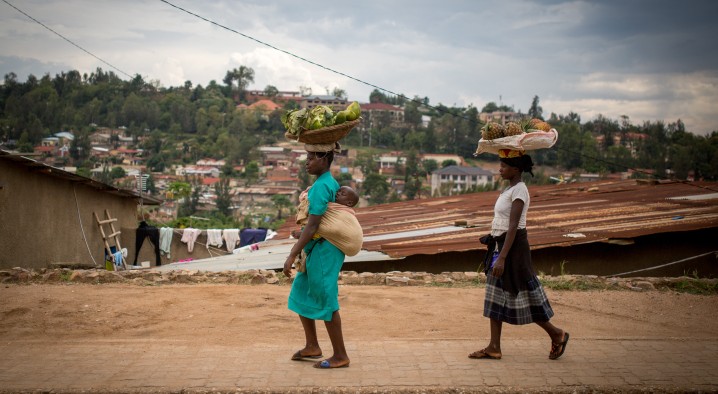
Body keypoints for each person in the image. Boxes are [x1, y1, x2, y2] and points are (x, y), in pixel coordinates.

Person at [470, 149, 569, 361]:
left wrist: (503, 257)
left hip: (513, 251)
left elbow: (514, 226)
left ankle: (556, 333)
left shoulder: (520, 191)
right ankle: (494, 347)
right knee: (495, 296)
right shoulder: (510, 189)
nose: (500, 169)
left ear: (515, 169)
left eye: (504, 166)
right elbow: (504, 222)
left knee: (525, 298)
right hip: (501, 247)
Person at [283, 142, 350, 369]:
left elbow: (313, 227)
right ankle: (312, 345)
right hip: (316, 247)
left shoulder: (322, 186)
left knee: (326, 299)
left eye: (311, 157)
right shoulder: (325, 182)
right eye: (307, 157)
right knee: (301, 292)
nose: (307, 161)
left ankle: (340, 355)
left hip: (324, 250)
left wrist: (292, 254)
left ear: (323, 158)